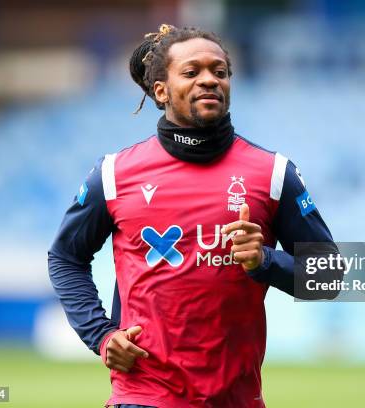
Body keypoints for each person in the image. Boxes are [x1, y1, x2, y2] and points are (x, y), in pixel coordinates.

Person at [48, 24, 340, 408]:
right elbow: (65, 257)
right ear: (161, 90)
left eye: (219, 72)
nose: (209, 80)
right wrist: (101, 335)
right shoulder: (114, 174)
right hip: (143, 396)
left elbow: (328, 275)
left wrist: (265, 261)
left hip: (236, 399)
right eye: (192, 72)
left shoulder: (272, 173)